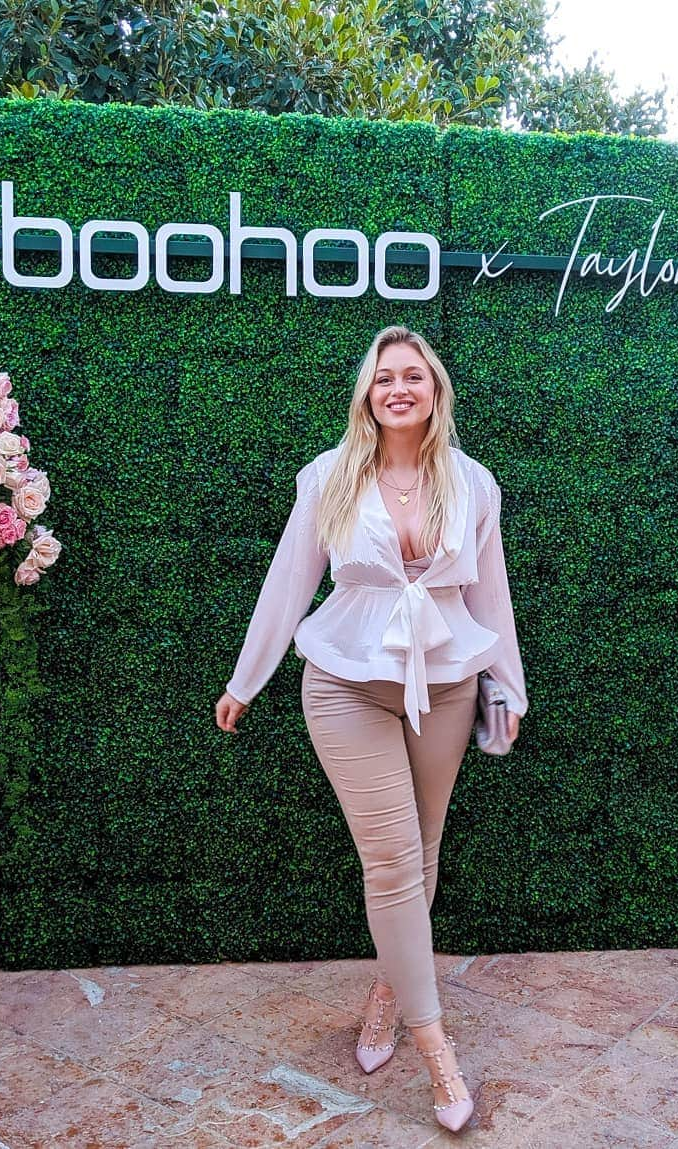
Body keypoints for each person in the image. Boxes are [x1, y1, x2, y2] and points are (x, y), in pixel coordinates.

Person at [215, 324, 528, 1133]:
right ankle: (436, 1053)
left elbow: (488, 594)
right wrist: (246, 680)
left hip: (449, 686)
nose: (399, 388)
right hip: (346, 684)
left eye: (413, 376)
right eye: (384, 376)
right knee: (391, 862)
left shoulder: (473, 483)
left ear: (434, 391)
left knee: (422, 855)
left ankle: (389, 991)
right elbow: (289, 582)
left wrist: (509, 689)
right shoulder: (330, 476)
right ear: (367, 392)